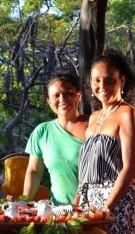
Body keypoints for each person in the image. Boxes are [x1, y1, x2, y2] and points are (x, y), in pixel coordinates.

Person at [76, 49, 135, 234]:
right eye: (96, 80)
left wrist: (107, 208)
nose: (102, 85)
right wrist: (77, 203)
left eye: (109, 80)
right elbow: (87, 169)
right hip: (87, 204)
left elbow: (129, 169)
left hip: (115, 204)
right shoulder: (93, 117)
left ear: (122, 81)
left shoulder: (128, 114)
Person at [23, 71, 89, 205]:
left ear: (79, 96)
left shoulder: (95, 126)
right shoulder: (42, 132)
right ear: (49, 101)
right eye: (56, 96)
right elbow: (34, 172)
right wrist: (23, 202)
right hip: (59, 213)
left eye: (68, 93)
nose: (62, 99)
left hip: (93, 210)